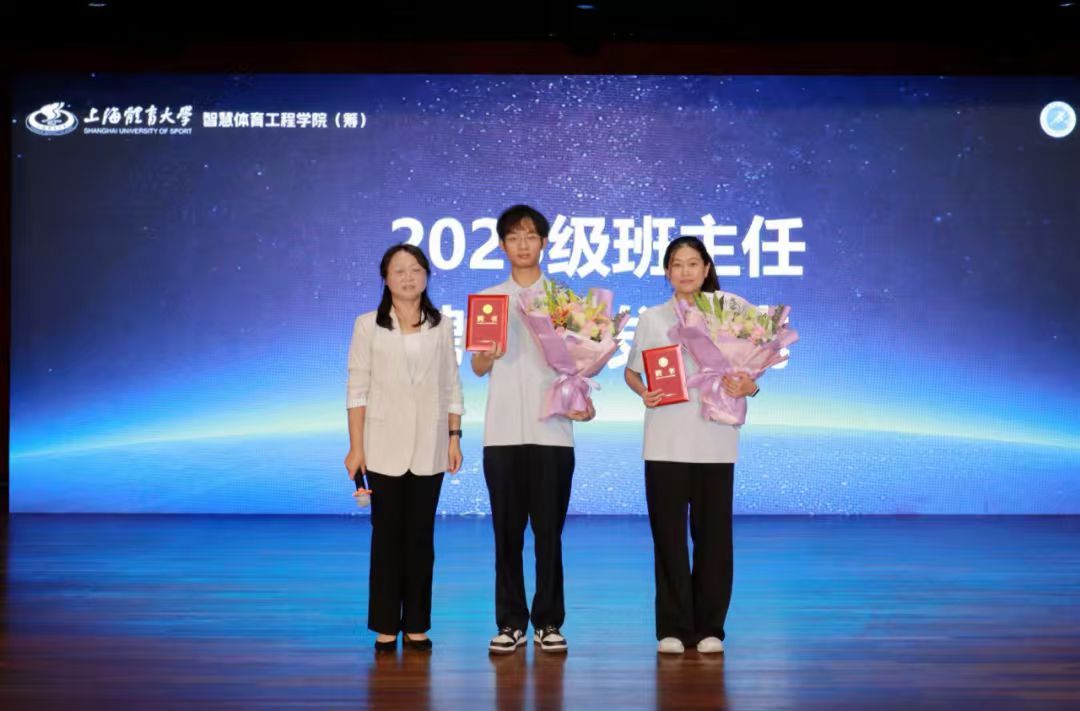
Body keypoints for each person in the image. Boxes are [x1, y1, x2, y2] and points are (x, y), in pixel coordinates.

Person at [624, 236, 760, 655]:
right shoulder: (652, 318)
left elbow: (751, 372)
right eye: (677, 264)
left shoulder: (730, 314)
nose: (685, 271)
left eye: (693, 263)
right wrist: (644, 392)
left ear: (706, 269)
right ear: (668, 272)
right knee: (668, 538)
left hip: (715, 439)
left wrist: (749, 387)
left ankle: (710, 628)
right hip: (665, 441)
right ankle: (673, 626)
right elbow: (632, 371)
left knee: (714, 538)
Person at [472, 204, 594, 655]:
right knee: (506, 534)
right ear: (502, 245)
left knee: (548, 534)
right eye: (513, 237)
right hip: (502, 432)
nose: (522, 245)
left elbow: (585, 362)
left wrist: (583, 402)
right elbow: (478, 367)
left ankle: (548, 621)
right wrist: (487, 355)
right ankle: (510, 622)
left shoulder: (566, 301)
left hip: (552, 432)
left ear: (543, 242)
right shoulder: (489, 299)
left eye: (530, 236)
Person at [345, 243, 464, 653]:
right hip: (382, 446)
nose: (408, 277)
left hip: (430, 445)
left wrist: (454, 436)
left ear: (426, 275)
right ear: (386, 278)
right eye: (399, 271)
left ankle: (416, 624)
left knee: (421, 538)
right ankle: (384, 624)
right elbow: (357, 390)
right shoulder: (367, 325)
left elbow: (451, 385)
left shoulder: (442, 325)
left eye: (415, 269)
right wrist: (355, 448)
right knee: (386, 538)